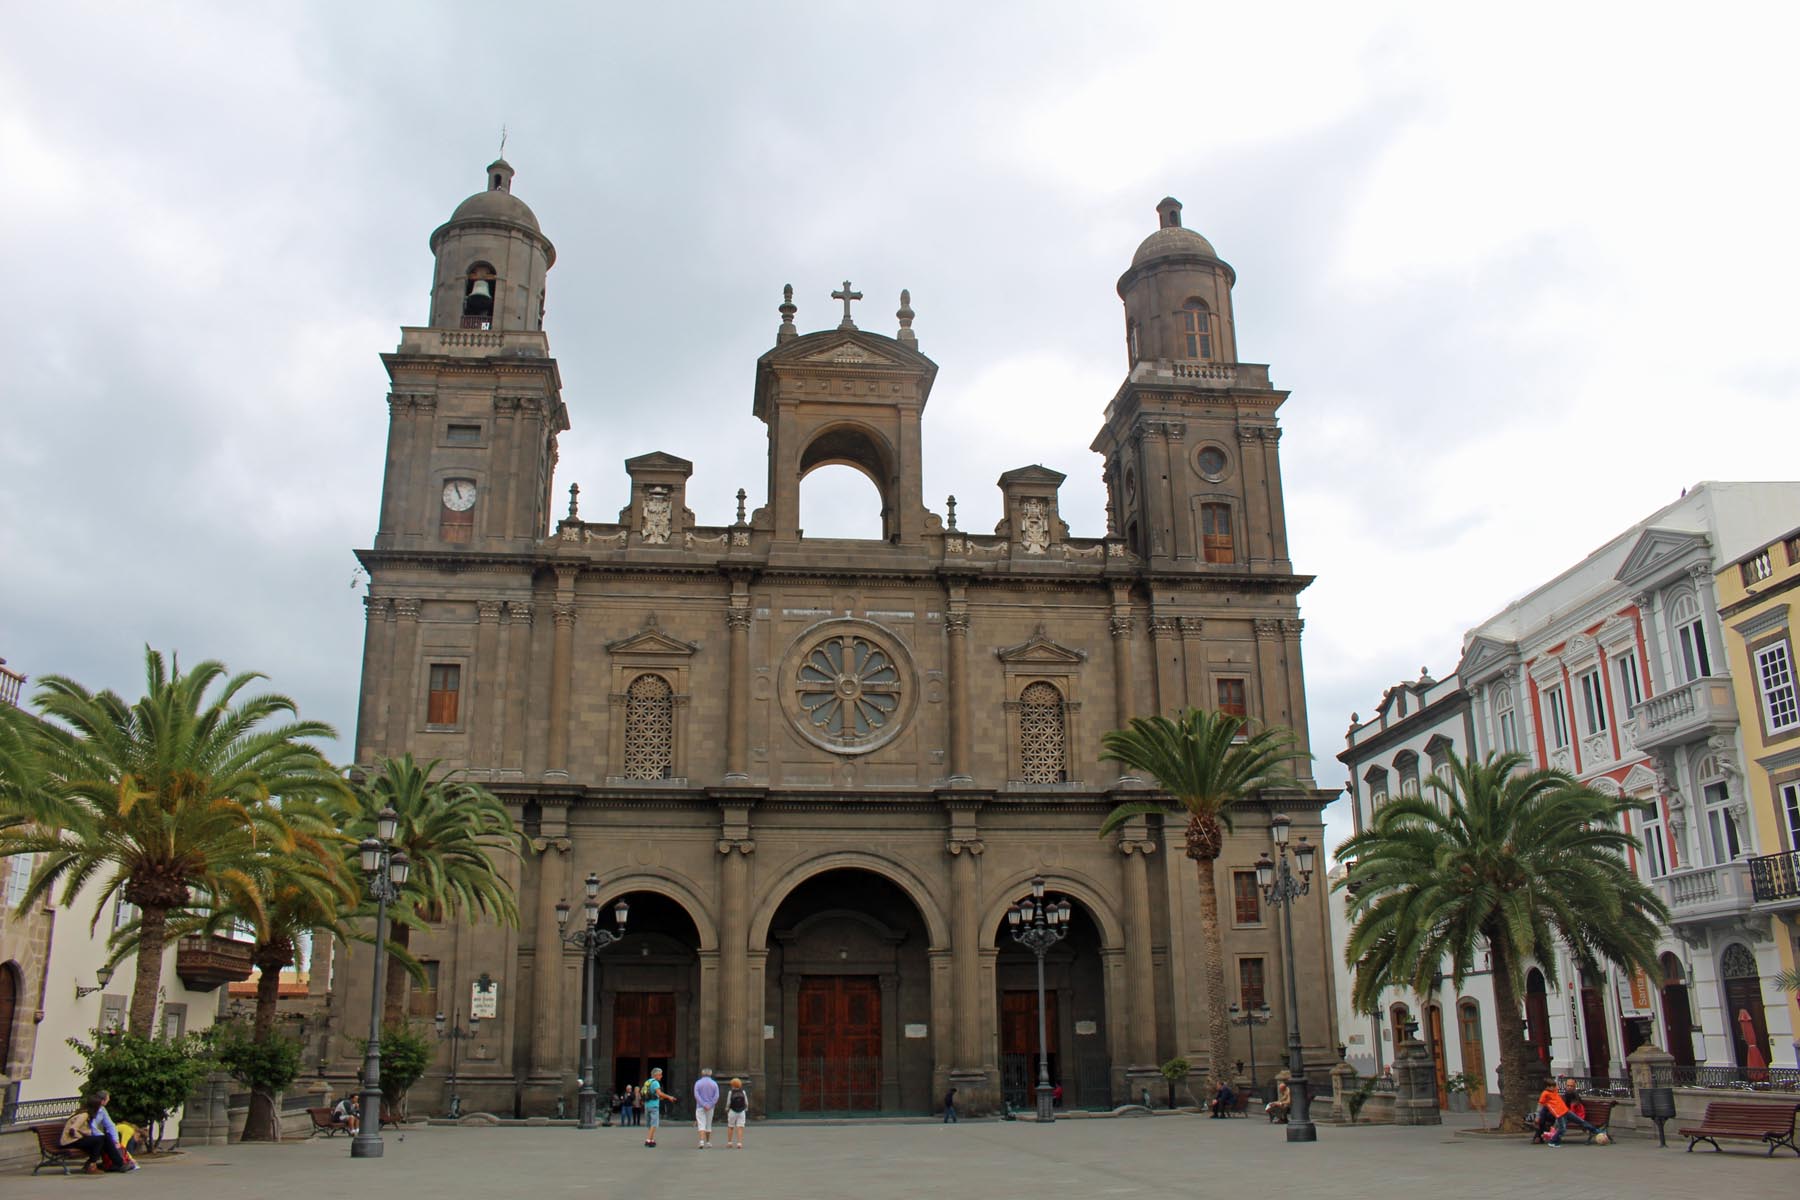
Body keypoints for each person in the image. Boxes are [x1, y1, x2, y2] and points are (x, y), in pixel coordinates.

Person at [61, 1097, 128, 1173]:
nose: (100, 1109)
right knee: (100, 1140)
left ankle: (119, 1164)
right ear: (95, 1107)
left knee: (104, 1138)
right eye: (99, 1107)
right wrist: (82, 1137)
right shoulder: (84, 1115)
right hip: (70, 1141)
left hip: (74, 1140)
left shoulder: (86, 1114)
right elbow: (72, 1130)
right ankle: (92, 1165)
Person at [1534, 1078, 1570, 1145]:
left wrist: (1559, 1077)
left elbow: (1555, 1082)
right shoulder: (1545, 1094)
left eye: (1553, 1087)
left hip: (1555, 1113)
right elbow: (1540, 1106)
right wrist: (1537, 1117)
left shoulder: (1555, 1092)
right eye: (1550, 1087)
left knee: (1543, 1117)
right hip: (1548, 1113)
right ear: (1546, 1087)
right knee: (1542, 1116)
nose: (1553, 1088)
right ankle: (1538, 1136)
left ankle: (1538, 1136)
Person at [641, 1067, 668, 1147]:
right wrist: (669, 1097)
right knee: (654, 1123)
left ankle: (652, 1140)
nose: (661, 1076)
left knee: (649, 1123)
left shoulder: (647, 1082)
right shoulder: (656, 1082)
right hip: (654, 1106)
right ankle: (648, 1140)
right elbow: (659, 1093)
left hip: (647, 1105)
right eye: (660, 1075)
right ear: (656, 1075)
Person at [693, 1068, 720, 1149]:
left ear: (702, 1074)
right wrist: (710, 1104)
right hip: (710, 1107)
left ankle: (701, 1141)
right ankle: (708, 1142)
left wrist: (703, 1104)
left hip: (700, 1106)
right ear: (710, 1074)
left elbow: (696, 1095)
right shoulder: (714, 1083)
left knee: (701, 1124)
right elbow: (716, 1096)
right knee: (708, 1124)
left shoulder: (698, 1083)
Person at [725, 1077, 749, 1149]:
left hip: (732, 1111)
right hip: (741, 1111)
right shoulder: (743, 1092)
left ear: (732, 1085)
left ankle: (729, 1142)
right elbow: (746, 1102)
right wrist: (746, 1108)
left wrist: (727, 1109)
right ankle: (739, 1143)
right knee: (740, 1127)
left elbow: (728, 1102)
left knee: (730, 1126)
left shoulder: (730, 1092)